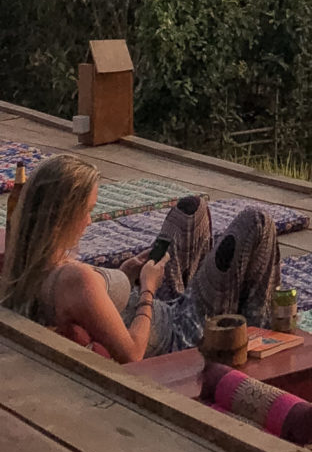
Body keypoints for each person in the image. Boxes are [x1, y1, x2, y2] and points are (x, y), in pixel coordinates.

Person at [0, 153, 280, 360]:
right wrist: (147, 288)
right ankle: (260, 337)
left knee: (191, 211)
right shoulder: (75, 281)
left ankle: (198, 289)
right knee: (256, 223)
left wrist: (124, 274)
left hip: (161, 307)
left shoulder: (27, 267)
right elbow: (133, 352)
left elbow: (95, 303)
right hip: (181, 332)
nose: (88, 221)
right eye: (86, 210)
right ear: (63, 216)